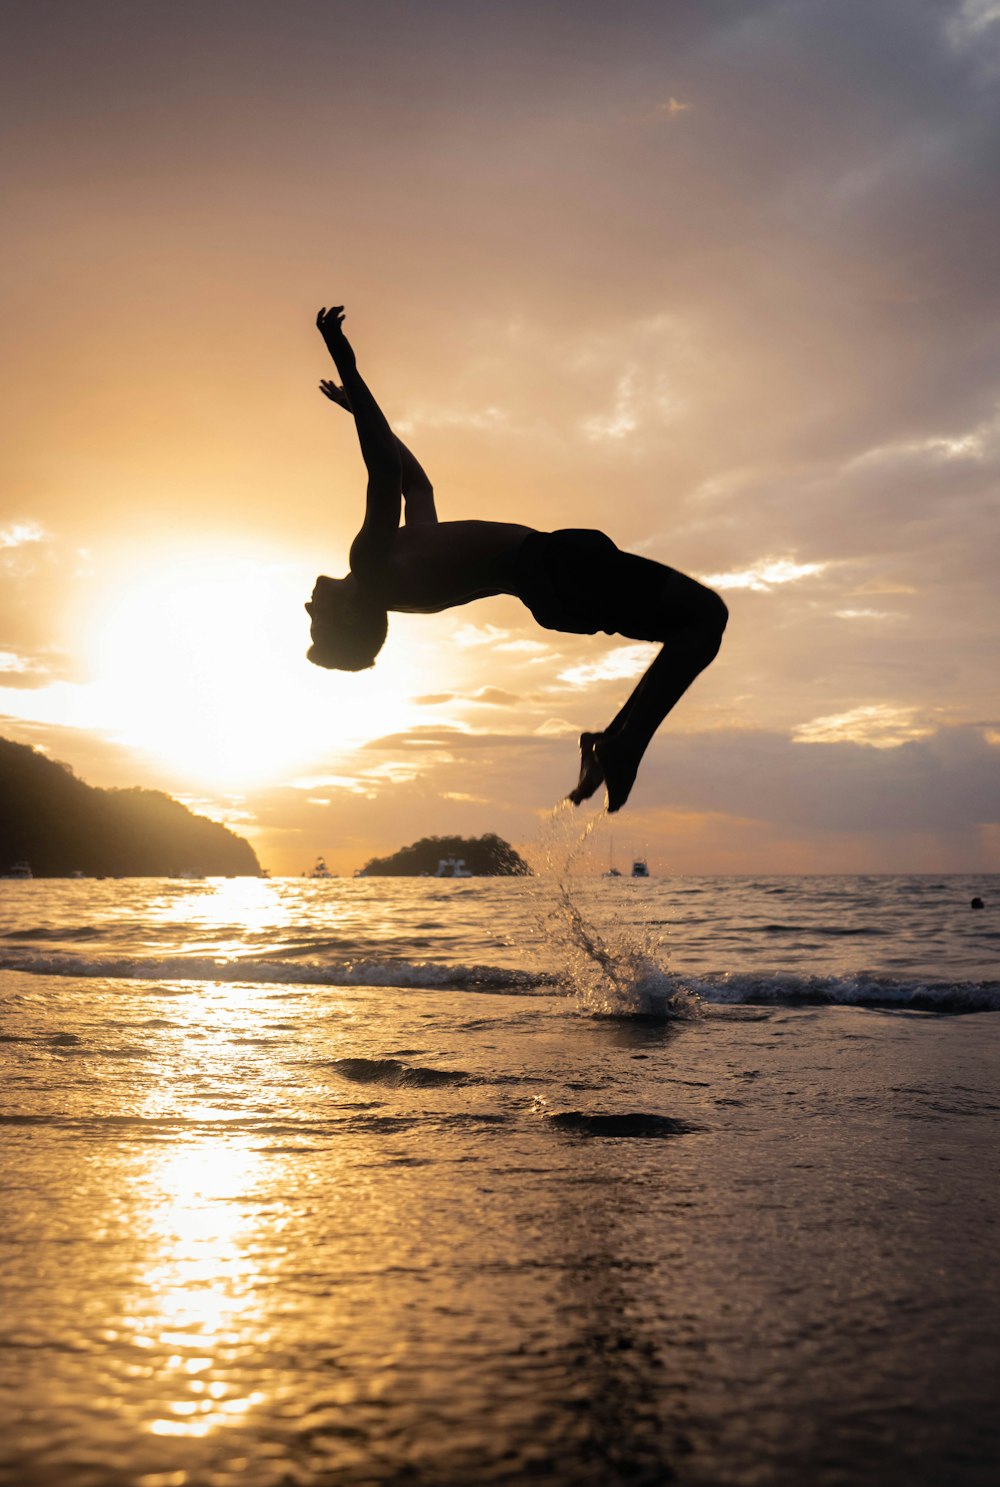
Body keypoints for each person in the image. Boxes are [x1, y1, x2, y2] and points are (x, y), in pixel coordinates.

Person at [306, 306, 728, 812]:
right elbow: (386, 475)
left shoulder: (399, 572)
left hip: (555, 586)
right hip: (555, 568)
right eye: (316, 622)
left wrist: (359, 410)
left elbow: (417, 483)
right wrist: (349, 368)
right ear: (350, 615)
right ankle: (622, 746)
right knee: (704, 617)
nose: (308, 609)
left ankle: (617, 742)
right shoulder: (372, 568)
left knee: (693, 626)